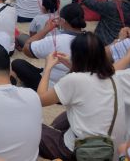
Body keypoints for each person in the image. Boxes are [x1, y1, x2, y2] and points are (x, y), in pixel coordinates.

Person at [37, 32, 126, 160]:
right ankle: (56, 132)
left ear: (76, 56)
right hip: (111, 149)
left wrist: (48, 68)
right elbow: (87, 80)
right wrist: (71, 63)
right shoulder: (114, 76)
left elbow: (40, 99)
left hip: (82, 152)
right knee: (68, 114)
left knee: (30, 127)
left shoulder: (74, 80)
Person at [12, 3, 86, 90]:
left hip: (53, 88)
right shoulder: (92, 40)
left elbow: (26, 49)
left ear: (62, 20)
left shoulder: (55, 40)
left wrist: (46, 29)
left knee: (17, 63)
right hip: (79, 86)